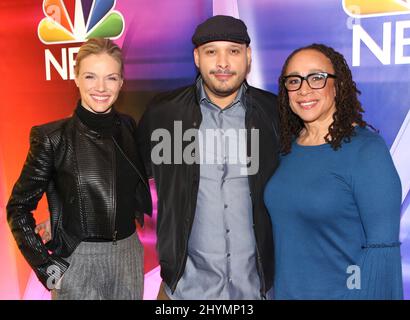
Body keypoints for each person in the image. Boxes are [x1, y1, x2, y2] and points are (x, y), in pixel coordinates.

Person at [137, 15, 280, 300]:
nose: (223, 63)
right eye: (212, 51)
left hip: (256, 291)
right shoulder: (164, 114)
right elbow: (125, 173)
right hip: (184, 291)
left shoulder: (275, 113)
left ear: (248, 57)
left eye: (234, 51)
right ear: (197, 58)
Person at [7, 38, 152, 300]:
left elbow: (123, 185)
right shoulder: (52, 137)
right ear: (76, 78)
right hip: (78, 261)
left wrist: (61, 215)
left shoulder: (129, 127)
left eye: (110, 78)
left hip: (129, 255)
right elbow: (17, 209)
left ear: (121, 82)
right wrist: (48, 269)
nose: (100, 87)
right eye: (90, 76)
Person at [264, 43, 403, 299]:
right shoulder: (286, 149)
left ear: (337, 85)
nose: (304, 89)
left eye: (316, 78)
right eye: (294, 80)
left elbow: (382, 254)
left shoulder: (366, 151)